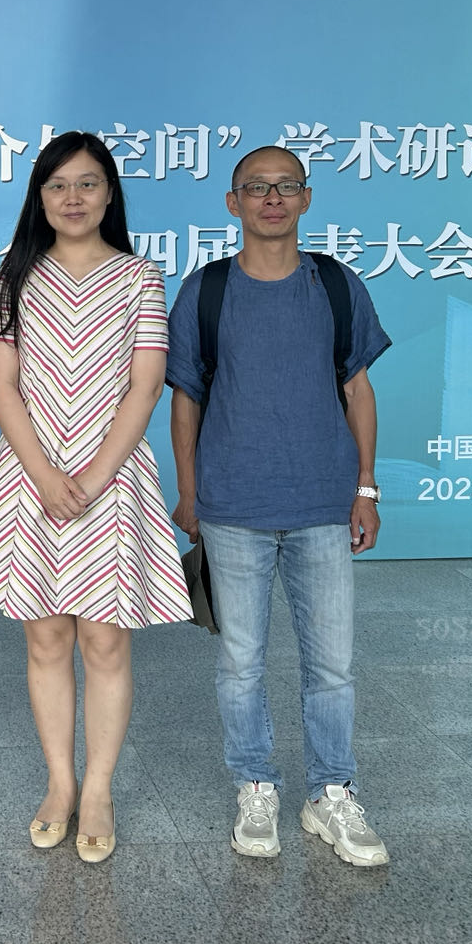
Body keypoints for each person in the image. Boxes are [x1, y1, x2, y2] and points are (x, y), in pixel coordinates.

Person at [0, 133, 191, 864]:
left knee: (105, 640)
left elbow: (145, 387)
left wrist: (90, 478)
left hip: (111, 481)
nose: (73, 198)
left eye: (88, 184)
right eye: (58, 185)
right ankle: (59, 783)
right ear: (40, 197)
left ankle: (100, 789)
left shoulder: (140, 277)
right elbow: (3, 385)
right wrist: (46, 474)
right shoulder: (15, 276)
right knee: (46, 637)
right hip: (32, 479)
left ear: (110, 194)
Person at [166, 145, 392, 868]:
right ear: (232, 203)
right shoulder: (206, 291)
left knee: (333, 667)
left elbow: (357, 389)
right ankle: (255, 785)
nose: (272, 199)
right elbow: (185, 399)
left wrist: (365, 487)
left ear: (307, 198)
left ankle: (331, 793)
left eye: (286, 186)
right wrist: (190, 492)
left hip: (324, 503)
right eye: (257, 188)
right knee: (241, 664)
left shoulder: (336, 284)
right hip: (233, 506)